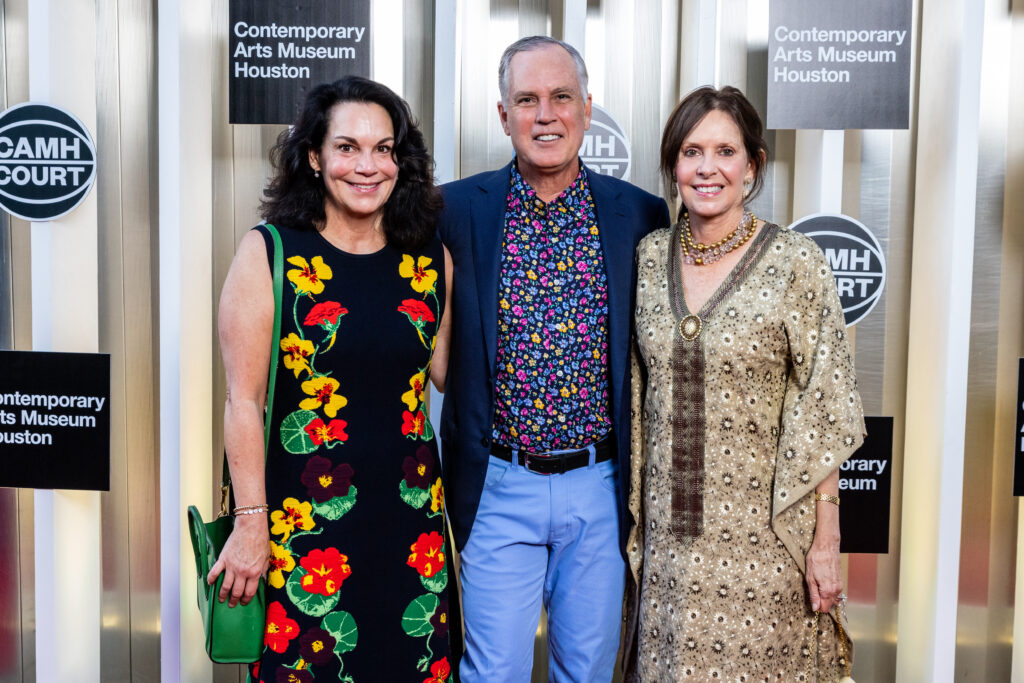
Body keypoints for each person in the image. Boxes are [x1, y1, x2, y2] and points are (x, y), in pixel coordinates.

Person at [438, 35, 670, 682]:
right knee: (491, 673)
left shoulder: (641, 215)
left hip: (599, 489)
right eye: (527, 99)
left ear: (587, 109)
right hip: (496, 484)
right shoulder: (452, 210)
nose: (546, 114)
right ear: (503, 115)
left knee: (588, 673)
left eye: (561, 97)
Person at [212, 76, 455, 682]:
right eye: (347, 147)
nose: (366, 166)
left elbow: (452, 378)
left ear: (402, 159)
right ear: (315, 157)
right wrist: (250, 523)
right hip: (302, 532)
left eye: (383, 148)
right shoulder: (270, 253)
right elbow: (243, 401)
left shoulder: (430, 261)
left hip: (411, 530)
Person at [624, 84, 866, 681]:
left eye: (725, 152)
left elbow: (825, 408)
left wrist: (825, 543)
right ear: (673, 164)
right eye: (691, 151)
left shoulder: (796, 262)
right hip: (670, 546)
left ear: (752, 165)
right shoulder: (649, 257)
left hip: (767, 544)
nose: (707, 168)